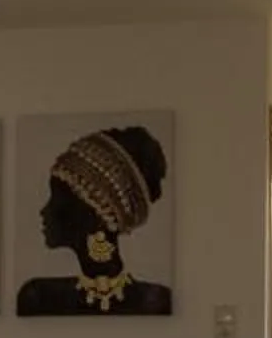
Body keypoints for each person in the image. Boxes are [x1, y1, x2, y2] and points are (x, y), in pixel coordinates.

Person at [13, 125, 175, 317]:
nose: (45, 210)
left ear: (98, 215)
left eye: (58, 198)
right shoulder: (36, 297)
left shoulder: (157, 301)